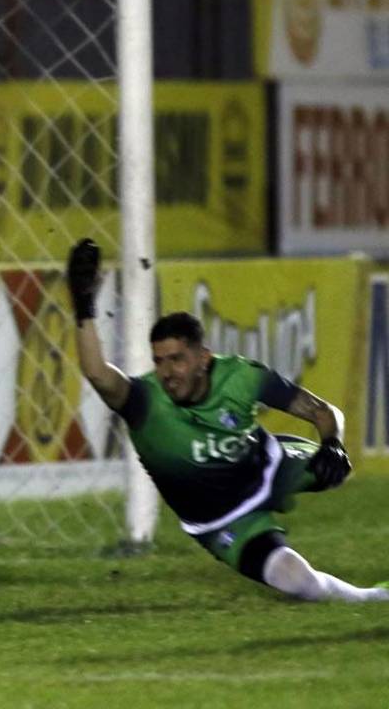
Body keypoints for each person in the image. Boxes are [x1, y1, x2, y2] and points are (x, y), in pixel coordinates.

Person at [66, 238, 387, 602]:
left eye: (177, 359)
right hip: (226, 520)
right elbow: (96, 373)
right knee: (301, 584)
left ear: (203, 358)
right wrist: (83, 307)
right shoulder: (144, 402)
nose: (167, 372)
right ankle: (373, 598)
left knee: (337, 468)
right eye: (159, 361)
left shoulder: (241, 377)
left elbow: (323, 413)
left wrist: (333, 443)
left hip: (270, 464)